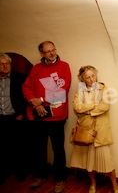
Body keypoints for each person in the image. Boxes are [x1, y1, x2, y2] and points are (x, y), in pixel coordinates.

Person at [22, 41, 71, 193]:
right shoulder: (36, 68)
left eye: (53, 50)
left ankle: (60, 178)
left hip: (56, 116)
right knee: (39, 147)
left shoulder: (64, 66)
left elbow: (63, 89)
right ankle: (41, 175)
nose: (52, 53)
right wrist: (34, 103)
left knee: (58, 149)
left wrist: (41, 101)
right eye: (48, 51)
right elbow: (26, 87)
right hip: (38, 114)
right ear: (42, 53)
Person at [70, 65, 118, 193]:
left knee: (107, 161)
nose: (92, 79)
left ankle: (115, 185)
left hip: (100, 130)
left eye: (93, 75)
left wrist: (88, 111)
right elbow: (77, 108)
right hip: (85, 131)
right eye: (88, 77)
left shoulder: (103, 89)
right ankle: (93, 184)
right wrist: (93, 105)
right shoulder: (80, 91)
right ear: (82, 79)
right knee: (88, 162)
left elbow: (104, 107)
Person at [0, 53, 29, 183]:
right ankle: (5, 171)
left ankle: (21, 172)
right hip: (1, 118)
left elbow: (27, 97)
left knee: (19, 146)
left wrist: (22, 114)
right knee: (3, 147)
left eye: (8, 63)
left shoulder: (20, 78)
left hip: (15, 117)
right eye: (2, 64)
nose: (6, 66)